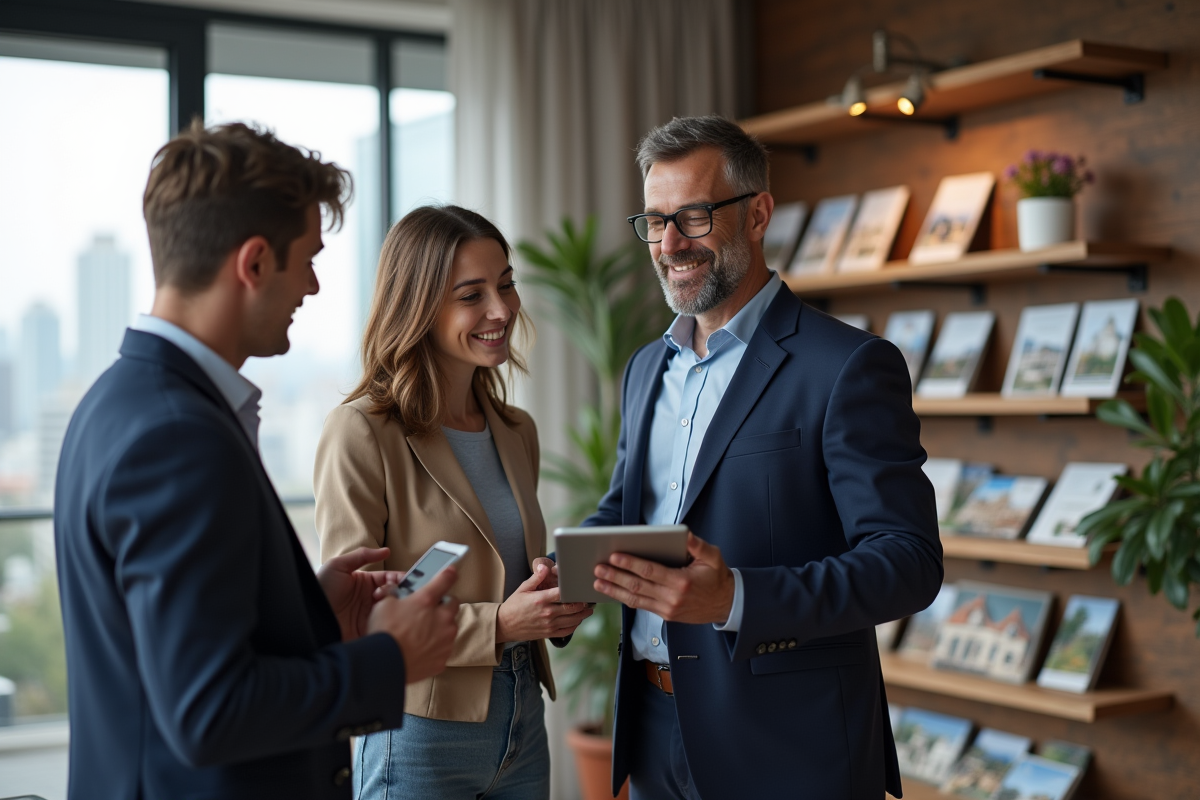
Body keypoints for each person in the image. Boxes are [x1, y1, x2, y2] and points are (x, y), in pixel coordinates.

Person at [53, 121, 461, 800]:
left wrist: (309, 619)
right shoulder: (177, 436)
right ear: (254, 263)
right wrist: (387, 659)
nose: (314, 287)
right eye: (308, 258)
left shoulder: (117, 401)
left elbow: (170, 659)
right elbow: (208, 712)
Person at [585, 115, 943, 799]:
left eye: (692, 217)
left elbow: (909, 562)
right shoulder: (643, 369)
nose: (669, 245)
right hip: (655, 730)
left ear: (758, 213)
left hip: (793, 747)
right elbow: (632, 507)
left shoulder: (848, 366)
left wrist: (736, 597)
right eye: (654, 222)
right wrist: (569, 573)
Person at [313, 205, 593, 800]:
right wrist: (499, 623)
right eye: (472, 295)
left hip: (522, 719)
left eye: (506, 284)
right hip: (419, 728)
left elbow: (505, 569)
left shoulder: (516, 430)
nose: (501, 310)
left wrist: (548, 595)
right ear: (419, 307)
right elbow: (360, 619)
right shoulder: (361, 431)